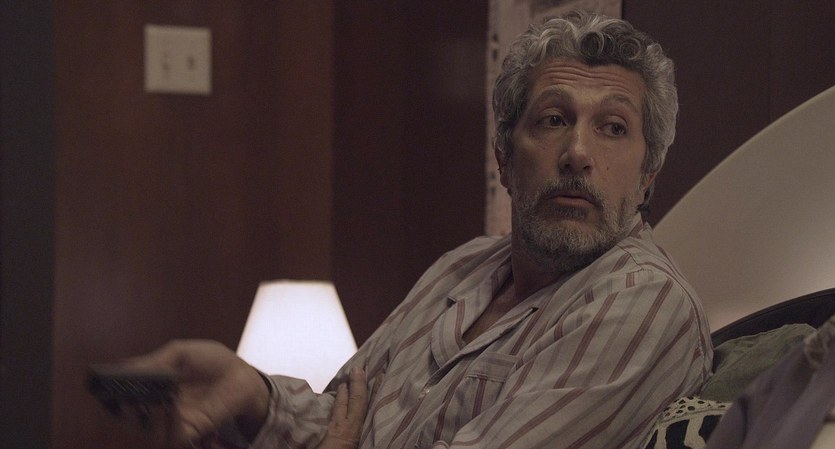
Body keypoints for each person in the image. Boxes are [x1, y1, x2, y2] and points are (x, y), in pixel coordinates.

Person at [113, 11, 713, 449]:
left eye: (613, 128)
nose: (578, 152)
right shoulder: (464, 265)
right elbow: (345, 415)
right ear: (504, 158)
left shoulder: (644, 301)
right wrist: (250, 393)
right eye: (553, 119)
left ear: (648, 178)